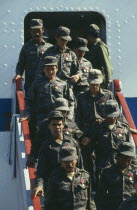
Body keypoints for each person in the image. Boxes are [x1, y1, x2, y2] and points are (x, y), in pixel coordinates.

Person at [31, 111, 83, 198]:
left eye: (59, 124)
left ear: (63, 125)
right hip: (54, 188)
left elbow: (80, 165)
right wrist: (39, 185)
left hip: (72, 186)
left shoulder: (72, 142)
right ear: (49, 126)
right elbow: (41, 170)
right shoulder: (46, 146)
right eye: (54, 125)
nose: (57, 127)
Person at [21, 56, 75, 124]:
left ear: (57, 69)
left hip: (59, 120)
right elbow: (29, 100)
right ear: (43, 69)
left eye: (53, 69)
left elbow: (71, 101)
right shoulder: (37, 84)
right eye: (47, 69)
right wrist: (27, 114)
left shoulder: (63, 84)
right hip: (42, 119)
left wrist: (70, 115)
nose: (50, 71)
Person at [92, 100, 134, 181]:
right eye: (109, 116)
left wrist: (133, 165)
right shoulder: (97, 128)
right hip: (102, 166)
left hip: (120, 166)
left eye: (114, 116)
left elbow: (130, 150)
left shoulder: (124, 128)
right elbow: (91, 149)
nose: (112, 118)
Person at [13, 19, 52, 93]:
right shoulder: (26, 47)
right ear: (30, 31)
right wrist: (18, 74)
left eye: (38, 30)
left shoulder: (50, 48)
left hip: (45, 85)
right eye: (34, 31)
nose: (36, 33)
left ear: (43, 30)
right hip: (30, 85)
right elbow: (21, 64)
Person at [97, 142, 136, 210]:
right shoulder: (107, 171)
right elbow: (101, 195)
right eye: (124, 158)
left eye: (129, 159)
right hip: (113, 206)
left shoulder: (135, 171)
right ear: (117, 156)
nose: (126, 162)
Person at [85, 24, 112, 89]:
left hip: (98, 78)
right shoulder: (92, 46)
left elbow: (106, 64)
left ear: (90, 35)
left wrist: (108, 79)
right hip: (92, 77)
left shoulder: (100, 46)